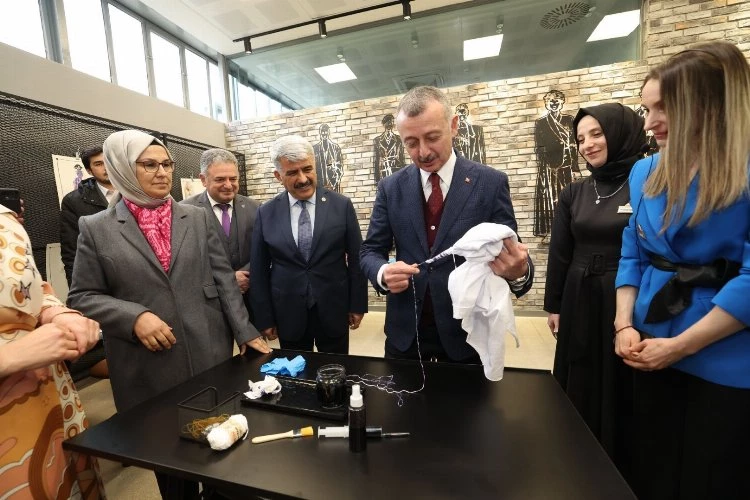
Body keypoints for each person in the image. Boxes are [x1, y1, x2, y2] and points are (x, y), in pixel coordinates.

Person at [67, 130, 270, 499]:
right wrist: (133, 317)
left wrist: (245, 331)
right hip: (148, 367)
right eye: (149, 165)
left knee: (222, 454)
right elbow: (82, 295)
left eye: (167, 164)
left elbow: (223, 278)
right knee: (171, 463)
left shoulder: (196, 217)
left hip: (207, 353)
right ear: (122, 168)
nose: (162, 173)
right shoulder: (96, 229)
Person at [614, 41, 750, 500]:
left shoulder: (744, 169)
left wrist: (680, 347)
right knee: (651, 466)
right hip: (650, 336)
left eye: (663, 108)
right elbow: (632, 252)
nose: (649, 122)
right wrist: (623, 324)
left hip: (725, 352)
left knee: (711, 475)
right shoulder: (645, 171)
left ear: (710, 105)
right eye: (646, 108)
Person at [360, 86, 533, 363]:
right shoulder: (390, 188)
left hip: (468, 335)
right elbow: (370, 250)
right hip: (405, 335)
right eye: (411, 143)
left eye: (432, 137)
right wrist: (382, 272)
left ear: (453, 126)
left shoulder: (490, 183)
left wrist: (519, 271)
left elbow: (513, 252)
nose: (423, 152)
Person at [544, 103, 646, 474]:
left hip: (627, 295)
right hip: (579, 294)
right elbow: (560, 252)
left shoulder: (648, 182)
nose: (587, 144)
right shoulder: (574, 192)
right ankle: (578, 452)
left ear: (620, 133)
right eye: (580, 138)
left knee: (621, 377)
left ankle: (621, 457)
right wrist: (555, 305)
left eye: (597, 134)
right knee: (581, 373)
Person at [0, 202, 105, 498]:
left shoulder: (5, 218)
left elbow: (29, 289)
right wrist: (9, 356)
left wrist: (58, 313)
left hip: (49, 401)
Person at [250, 135, 368, 354]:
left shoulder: (341, 205)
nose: (303, 179)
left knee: (336, 368)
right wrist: (264, 317)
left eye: (307, 169)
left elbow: (356, 258)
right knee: (296, 370)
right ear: (278, 176)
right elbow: (258, 270)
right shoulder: (265, 213)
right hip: (288, 312)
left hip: (334, 307)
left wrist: (357, 304)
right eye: (292, 173)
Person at [181, 148, 259, 317]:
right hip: (210, 305)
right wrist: (229, 280)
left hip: (251, 299)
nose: (228, 185)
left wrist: (246, 275)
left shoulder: (255, 208)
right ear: (203, 179)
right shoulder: (184, 212)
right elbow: (185, 261)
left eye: (233, 179)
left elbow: (264, 250)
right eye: (220, 179)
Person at [60, 145, 116, 285]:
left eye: (109, 161)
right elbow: (71, 251)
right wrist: (77, 288)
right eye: (98, 164)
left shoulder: (134, 194)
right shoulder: (73, 201)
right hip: (100, 277)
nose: (106, 167)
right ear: (89, 170)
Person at [533, 90, 579, 236]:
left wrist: (575, 167)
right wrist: (545, 164)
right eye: (550, 101)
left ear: (562, 102)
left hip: (567, 165)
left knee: (569, 198)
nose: (554, 103)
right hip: (550, 167)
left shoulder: (569, 120)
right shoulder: (541, 123)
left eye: (557, 101)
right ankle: (555, 231)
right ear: (546, 104)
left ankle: (571, 229)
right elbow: (539, 147)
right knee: (552, 199)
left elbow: (574, 145)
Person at [372, 113, 405, 183]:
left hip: (396, 171)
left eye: (391, 122)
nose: (390, 124)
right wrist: (377, 179)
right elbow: (376, 160)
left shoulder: (398, 139)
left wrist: (403, 177)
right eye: (388, 122)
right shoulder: (377, 140)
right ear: (384, 124)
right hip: (384, 172)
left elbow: (402, 158)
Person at [312, 123, 344, 192]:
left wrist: (334, 183)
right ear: (320, 133)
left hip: (333, 186)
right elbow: (313, 168)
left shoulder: (335, 148)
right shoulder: (314, 149)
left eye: (325, 131)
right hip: (320, 187)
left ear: (328, 132)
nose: (324, 133)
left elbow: (339, 167)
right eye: (322, 131)